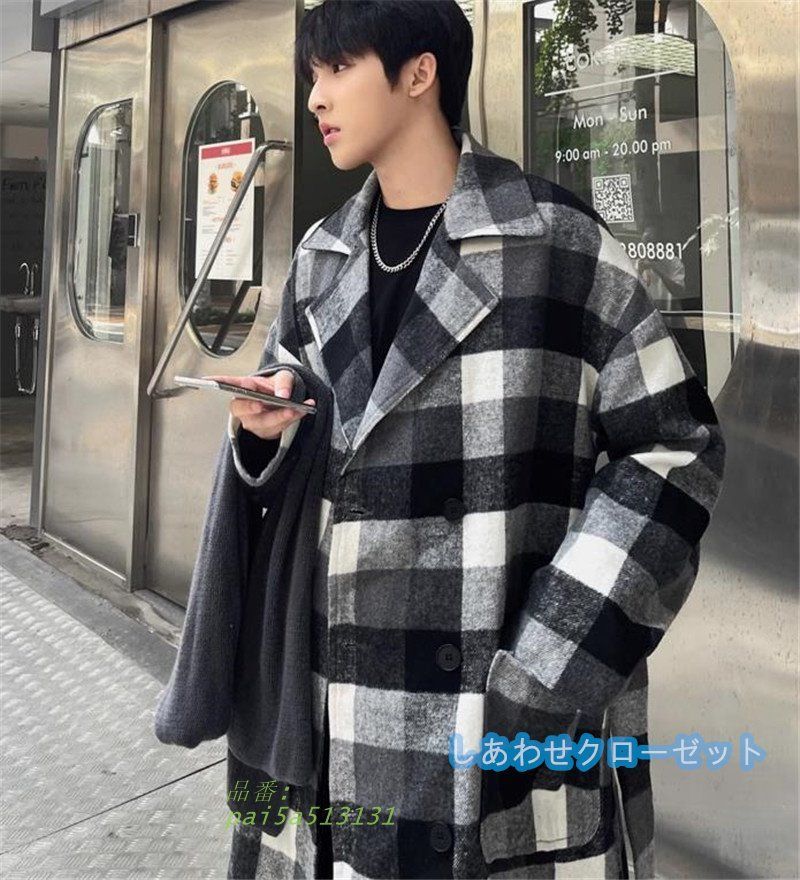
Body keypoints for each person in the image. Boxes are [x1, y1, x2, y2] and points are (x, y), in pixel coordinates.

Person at [207, 2, 726, 878]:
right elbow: (295, 434)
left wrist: (547, 665)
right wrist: (261, 435)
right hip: (333, 698)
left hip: (492, 700)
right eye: (312, 75)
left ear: (420, 73)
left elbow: (674, 450)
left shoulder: (556, 241)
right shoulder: (323, 255)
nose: (316, 97)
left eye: (338, 68)